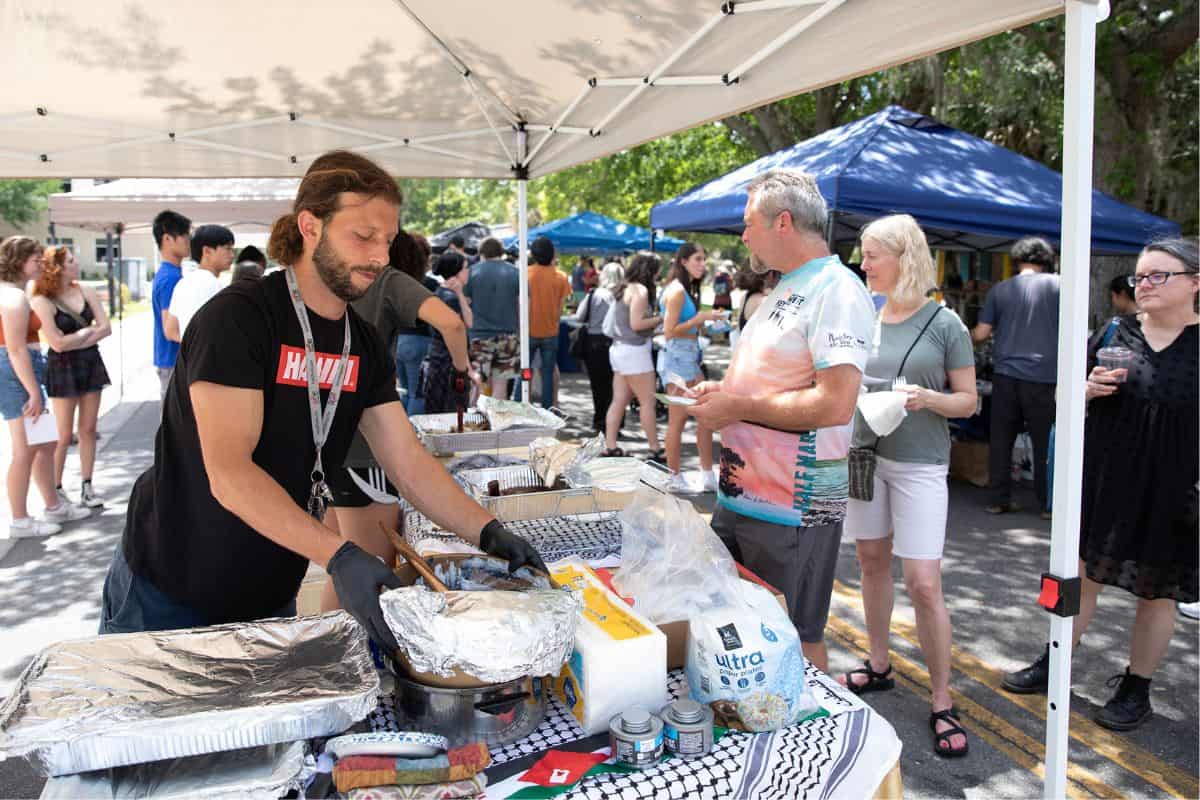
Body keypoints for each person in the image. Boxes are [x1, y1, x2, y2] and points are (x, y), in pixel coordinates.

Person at [97, 150, 544, 650]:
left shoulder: (362, 342)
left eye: (389, 241)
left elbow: (408, 462)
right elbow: (229, 474)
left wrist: (487, 532)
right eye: (363, 236)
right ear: (310, 225)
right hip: (171, 588)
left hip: (269, 588)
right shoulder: (239, 319)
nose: (380, 255)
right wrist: (341, 555)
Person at [1002, 238, 1198, 731]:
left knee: (1157, 593)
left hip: (1172, 490)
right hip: (1104, 481)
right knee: (1079, 577)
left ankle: (1137, 688)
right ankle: (1055, 662)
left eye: (1159, 275)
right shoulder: (1115, 331)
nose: (1144, 285)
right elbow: (1064, 397)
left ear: (1195, 282)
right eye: (1140, 277)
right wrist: (1083, 392)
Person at [687, 169, 874, 674]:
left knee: (795, 635)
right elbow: (773, 381)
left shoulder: (837, 289)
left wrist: (739, 407)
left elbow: (835, 404)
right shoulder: (789, 286)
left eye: (750, 223)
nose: (744, 236)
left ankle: (813, 739)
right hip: (744, 493)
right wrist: (725, 394)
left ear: (784, 222)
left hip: (795, 504)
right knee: (747, 631)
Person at [838, 215, 977, 758]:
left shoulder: (946, 323)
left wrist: (927, 398)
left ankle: (942, 699)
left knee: (922, 582)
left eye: (873, 255)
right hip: (865, 456)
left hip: (920, 461)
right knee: (871, 563)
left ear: (905, 257)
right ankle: (878, 665)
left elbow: (968, 401)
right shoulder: (866, 318)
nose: (864, 264)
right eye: (864, 255)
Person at [322, 234, 477, 612]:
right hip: (363, 446)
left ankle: (323, 654)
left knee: (343, 563)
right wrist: (462, 371)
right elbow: (452, 324)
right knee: (368, 571)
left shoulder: (331, 277)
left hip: (325, 438)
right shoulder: (386, 280)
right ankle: (333, 658)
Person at [1, 238, 92, 537]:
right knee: (26, 448)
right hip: (18, 371)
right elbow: (15, 350)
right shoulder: (13, 298)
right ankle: (20, 519)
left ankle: (53, 506)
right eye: (35, 259)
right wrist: (32, 392)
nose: (41, 264)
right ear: (18, 261)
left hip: (22, 368)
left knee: (45, 443)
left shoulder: (16, 293)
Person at [971, 237, 1059, 517]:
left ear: (1017, 259)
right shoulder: (1061, 286)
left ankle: (998, 499)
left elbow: (981, 334)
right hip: (1045, 377)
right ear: (1046, 259)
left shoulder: (1001, 290)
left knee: (1001, 440)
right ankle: (1047, 504)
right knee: (1044, 441)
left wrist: (962, 336)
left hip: (1006, 375)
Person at [30, 245, 113, 509]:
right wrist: (82, 336)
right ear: (57, 267)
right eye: (71, 261)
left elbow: (105, 327)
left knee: (88, 428)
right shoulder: (42, 299)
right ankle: (56, 488)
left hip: (90, 363)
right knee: (63, 433)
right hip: (62, 367)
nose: (76, 264)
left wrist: (75, 340)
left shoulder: (86, 290)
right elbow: (56, 344)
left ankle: (87, 486)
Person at [659, 242, 722, 494]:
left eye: (704, 259)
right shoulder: (676, 291)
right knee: (679, 419)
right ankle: (674, 476)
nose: (702, 265)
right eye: (698, 259)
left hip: (689, 357)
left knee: (704, 415)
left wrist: (708, 322)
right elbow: (668, 331)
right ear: (683, 261)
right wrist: (699, 319)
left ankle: (706, 474)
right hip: (678, 359)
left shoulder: (683, 290)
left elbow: (683, 328)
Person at [602, 253, 664, 458]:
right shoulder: (640, 290)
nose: (659, 274)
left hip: (619, 350)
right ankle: (655, 448)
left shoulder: (624, 287)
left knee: (618, 400)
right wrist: (660, 319)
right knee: (648, 402)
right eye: (657, 270)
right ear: (650, 270)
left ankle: (610, 445)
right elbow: (636, 324)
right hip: (635, 352)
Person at [465, 237, 521, 399]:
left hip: (479, 336)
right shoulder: (514, 273)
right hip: (508, 335)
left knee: (477, 382)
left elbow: (466, 304)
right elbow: (521, 305)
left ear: (481, 252)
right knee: (501, 383)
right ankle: (497, 421)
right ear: (501, 252)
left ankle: (475, 420)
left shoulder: (472, 273)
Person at [420, 252, 475, 414]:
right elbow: (462, 331)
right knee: (452, 412)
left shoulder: (441, 293)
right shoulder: (450, 298)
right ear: (455, 272)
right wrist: (468, 369)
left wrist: (460, 294)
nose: (468, 271)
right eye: (465, 268)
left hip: (439, 358)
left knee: (438, 411)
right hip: (448, 362)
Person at [390, 233, 440, 414]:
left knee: (403, 393)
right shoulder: (430, 284)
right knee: (417, 394)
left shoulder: (392, 282)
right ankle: (412, 434)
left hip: (397, 341)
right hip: (419, 341)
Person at [164, 224, 236, 342]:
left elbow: (170, 331)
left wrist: (192, 345)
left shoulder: (182, 284)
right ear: (207, 251)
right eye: (227, 249)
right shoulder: (214, 286)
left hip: (190, 358)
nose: (232, 255)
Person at [573, 261, 620, 434]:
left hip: (593, 342)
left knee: (598, 386)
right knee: (616, 386)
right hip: (615, 342)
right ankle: (616, 422)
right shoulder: (621, 295)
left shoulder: (594, 294)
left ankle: (600, 420)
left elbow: (579, 316)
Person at [524, 236, 570, 409]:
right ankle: (547, 409)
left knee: (525, 371)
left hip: (528, 330)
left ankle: (523, 403)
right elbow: (560, 308)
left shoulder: (525, 274)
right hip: (550, 331)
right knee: (547, 373)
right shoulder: (560, 277)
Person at [150, 210, 191, 400]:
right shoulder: (170, 278)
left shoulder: (169, 274)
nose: (188, 240)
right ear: (167, 238)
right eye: (184, 235)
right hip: (172, 360)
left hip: (169, 360)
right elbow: (170, 330)